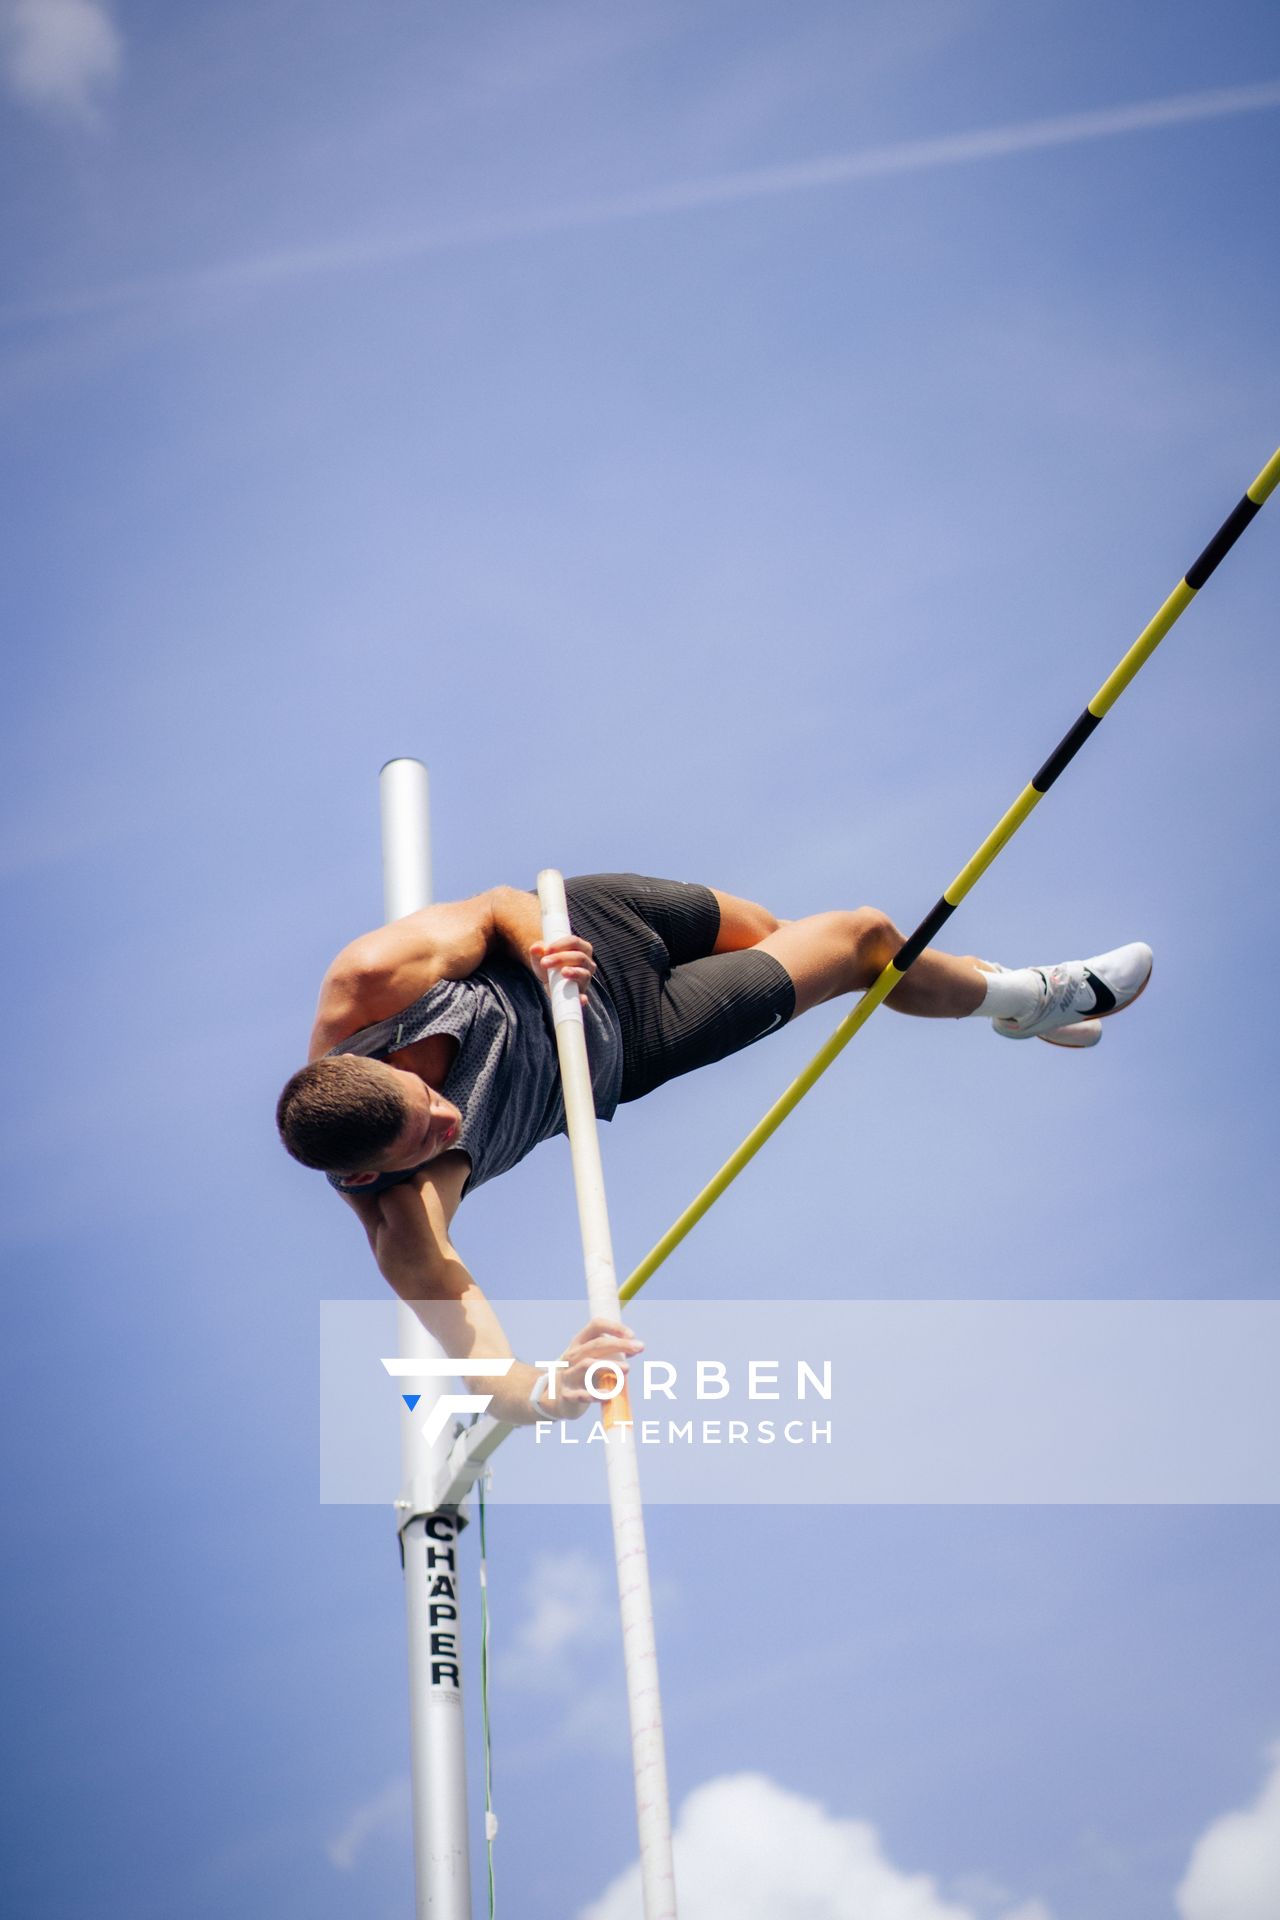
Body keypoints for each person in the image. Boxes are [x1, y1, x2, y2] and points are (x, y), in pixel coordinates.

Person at [277, 874, 1151, 1426]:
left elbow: (499, 903)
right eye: (427, 1141)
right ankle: (1029, 997)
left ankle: (975, 989)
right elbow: (489, 1368)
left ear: (378, 1059)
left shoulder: (373, 981)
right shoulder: (404, 1223)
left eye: (428, 1098)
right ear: (368, 1174)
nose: (447, 1120)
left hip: (588, 929)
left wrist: (544, 950)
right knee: (860, 939)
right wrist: (553, 1390)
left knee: (781, 925)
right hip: (641, 1036)